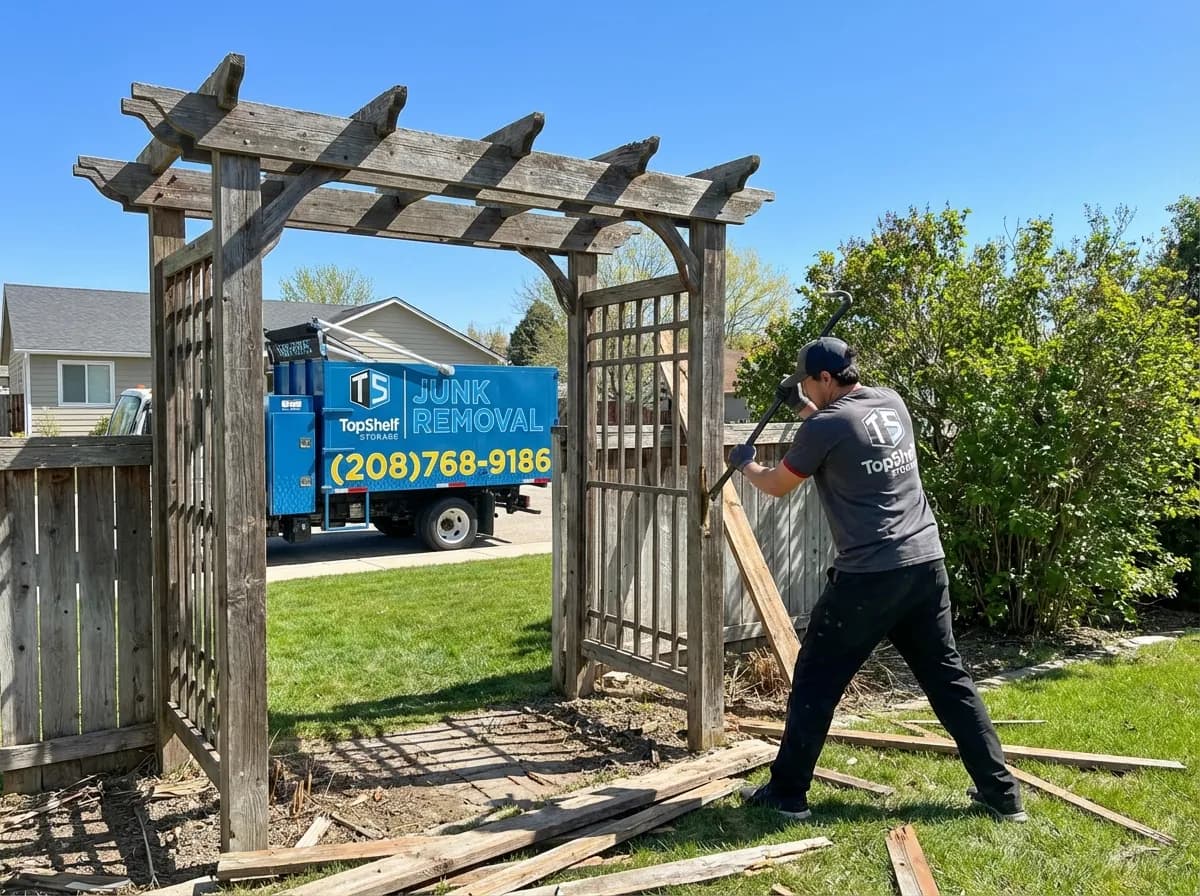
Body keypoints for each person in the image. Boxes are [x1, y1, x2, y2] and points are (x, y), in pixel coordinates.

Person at [730, 336, 1026, 823]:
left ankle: (786, 795)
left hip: (871, 576)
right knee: (949, 681)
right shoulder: (889, 401)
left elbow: (778, 485)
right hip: (925, 565)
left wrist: (745, 465)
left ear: (826, 379)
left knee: (816, 679)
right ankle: (1002, 794)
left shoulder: (827, 424)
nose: (806, 386)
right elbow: (845, 433)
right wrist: (805, 406)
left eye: (808, 381)